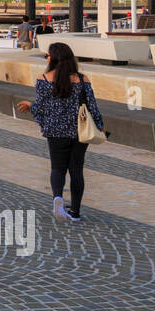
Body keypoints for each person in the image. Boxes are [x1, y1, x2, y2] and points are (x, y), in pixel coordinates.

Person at [15, 41, 105, 222]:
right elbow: (92, 106)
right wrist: (100, 125)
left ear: (53, 59)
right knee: (76, 170)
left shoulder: (44, 79)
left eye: (47, 55)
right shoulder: (82, 79)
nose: (46, 58)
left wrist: (29, 105)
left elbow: (40, 106)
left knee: (57, 168)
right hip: (79, 131)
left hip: (55, 131)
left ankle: (58, 198)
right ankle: (76, 212)